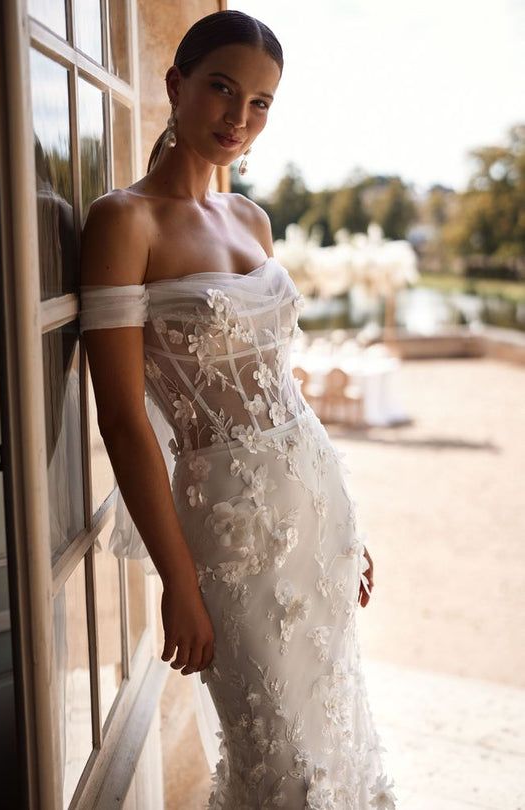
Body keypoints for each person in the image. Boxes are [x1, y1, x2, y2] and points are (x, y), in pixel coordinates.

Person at [78, 9, 397, 808]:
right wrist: (179, 581)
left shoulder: (250, 218)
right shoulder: (125, 223)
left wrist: (345, 524)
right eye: (223, 89)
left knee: (334, 735)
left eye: (260, 103)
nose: (239, 118)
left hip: (313, 504)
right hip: (226, 528)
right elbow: (121, 421)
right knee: (280, 761)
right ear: (176, 85)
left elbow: (279, 387)